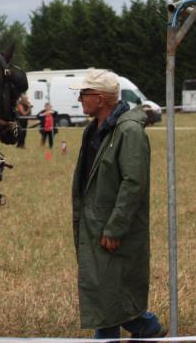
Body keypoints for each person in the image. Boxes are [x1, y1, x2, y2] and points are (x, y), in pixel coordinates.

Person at [70, 69, 167, 340]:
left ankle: (146, 328)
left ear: (101, 99)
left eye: (84, 93)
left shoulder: (129, 131)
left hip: (112, 227)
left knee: (109, 293)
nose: (79, 98)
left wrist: (115, 228)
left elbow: (133, 183)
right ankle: (147, 328)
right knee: (106, 291)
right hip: (95, 224)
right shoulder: (93, 130)